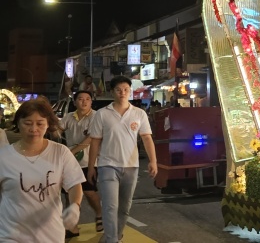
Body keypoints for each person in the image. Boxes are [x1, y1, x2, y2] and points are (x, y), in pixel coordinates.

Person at [0, 99, 85, 242]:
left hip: (50, 235)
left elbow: (74, 184)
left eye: (40, 123)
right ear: (18, 124)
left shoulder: (60, 152)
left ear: (48, 125)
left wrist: (75, 206)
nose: (34, 129)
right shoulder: (4, 157)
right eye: (27, 123)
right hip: (11, 234)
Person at [87, 76, 158, 243]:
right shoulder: (102, 114)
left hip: (131, 167)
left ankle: (114, 236)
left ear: (130, 91)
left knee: (124, 208)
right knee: (110, 207)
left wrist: (153, 161)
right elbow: (95, 141)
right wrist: (92, 167)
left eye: (126, 89)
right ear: (113, 92)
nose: (122, 93)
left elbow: (147, 138)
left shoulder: (139, 113)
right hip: (107, 166)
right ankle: (112, 240)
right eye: (118, 90)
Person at [60, 90, 103, 234]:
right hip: (70, 163)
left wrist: (72, 152)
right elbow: (57, 129)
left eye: (87, 99)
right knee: (68, 193)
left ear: (91, 101)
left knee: (90, 192)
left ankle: (99, 215)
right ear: (75, 102)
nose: (84, 102)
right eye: (80, 99)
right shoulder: (69, 117)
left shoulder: (96, 116)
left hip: (89, 161)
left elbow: (91, 138)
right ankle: (72, 225)